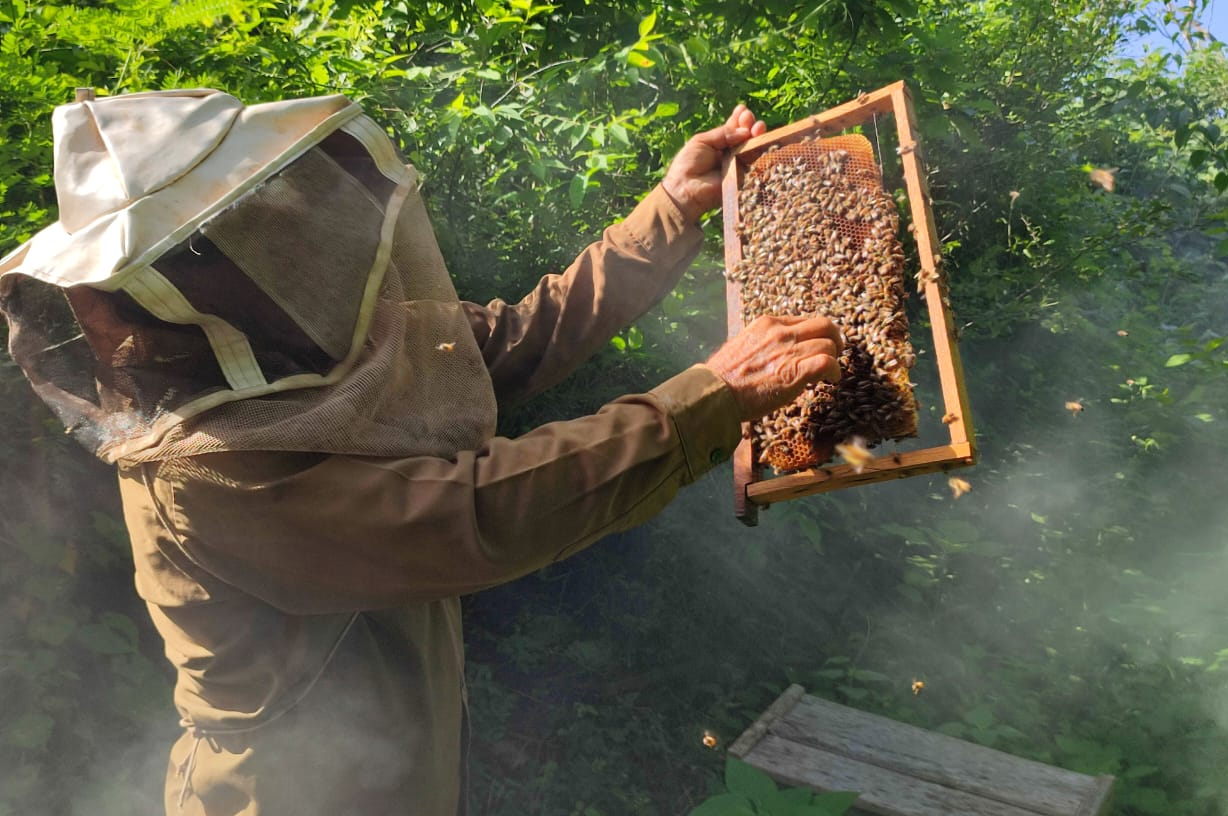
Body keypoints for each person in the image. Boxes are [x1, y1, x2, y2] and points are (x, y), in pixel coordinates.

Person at [0, 88, 841, 815]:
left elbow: (506, 340)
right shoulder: (201, 465)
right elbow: (468, 516)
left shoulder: (310, 347)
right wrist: (702, 401)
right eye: (227, 234)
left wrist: (668, 211)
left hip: (400, 749)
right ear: (162, 282)